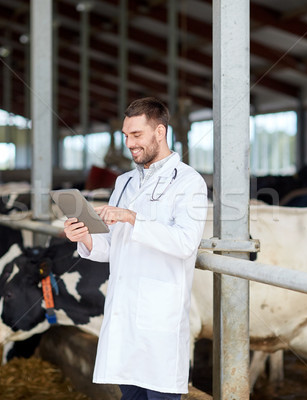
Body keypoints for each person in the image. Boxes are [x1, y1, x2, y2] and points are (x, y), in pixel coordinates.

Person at [63, 97, 208, 400]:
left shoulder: (188, 182)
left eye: (136, 135)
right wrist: (85, 238)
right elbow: (113, 246)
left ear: (160, 132)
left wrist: (131, 217)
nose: (129, 143)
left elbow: (184, 243)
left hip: (160, 320)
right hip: (124, 319)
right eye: (126, 136)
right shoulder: (124, 182)